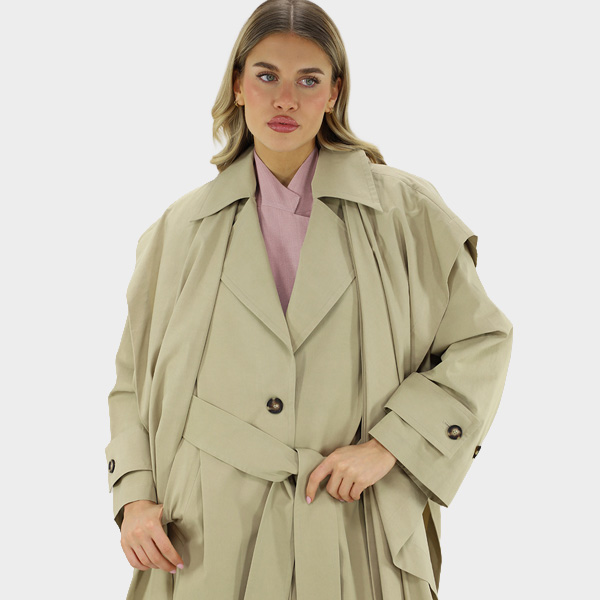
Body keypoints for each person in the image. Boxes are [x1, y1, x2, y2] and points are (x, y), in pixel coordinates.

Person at [104, 1, 513, 598]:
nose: (285, 100)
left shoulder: (405, 212)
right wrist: (135, 497)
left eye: (308, 80)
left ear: (334, 92)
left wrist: (391, 446)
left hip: (354, 520)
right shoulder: (178, 230)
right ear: (238, 86)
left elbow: (481, 341)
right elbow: (132, 380)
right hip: (206, 531)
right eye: (267, 76)